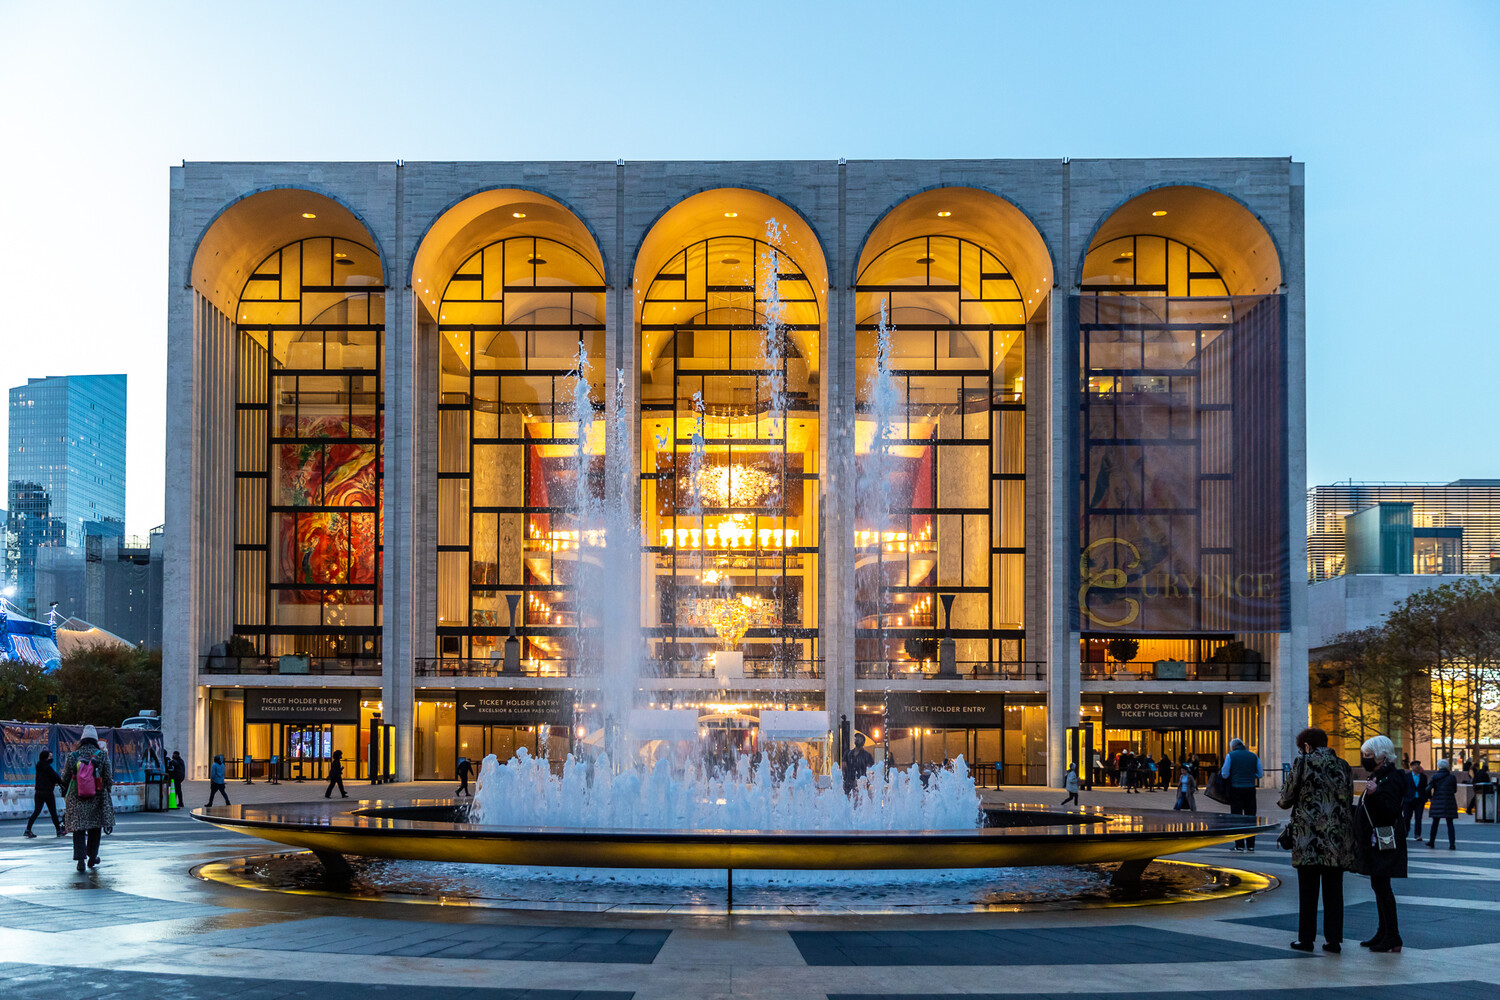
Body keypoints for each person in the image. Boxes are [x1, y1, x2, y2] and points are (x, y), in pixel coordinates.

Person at [1278, 727, 1356, 953]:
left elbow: (1286, 798)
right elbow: (1348, 798)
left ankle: (1306, 939)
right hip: (1337, 838)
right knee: (1334, 892)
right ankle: (1333, 941)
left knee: (1308, 892)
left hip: (1308, 839)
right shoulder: (1343, 765)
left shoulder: (1302, 762)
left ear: (1306, 745)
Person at [1357, 735, 1407, 952]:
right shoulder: (1378, 776)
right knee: (1378, 885)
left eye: (1369, 755)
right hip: (1377, 837)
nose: (1365, 759)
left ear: (1382, 756)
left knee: (1383, 886)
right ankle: (1383, 932)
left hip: (1385, 837)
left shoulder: (1392, 779)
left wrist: (1375, 794)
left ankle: (1393, 936)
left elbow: (1390, 810)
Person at [61, 725, 114, 872]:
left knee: (78, 829)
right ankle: (92, 857)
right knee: (95, 828)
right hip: (97, 797)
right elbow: (108, 777)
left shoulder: (73, 756)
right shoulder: (102, 755)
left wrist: (65, 788)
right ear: (95, 740)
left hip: (77, 798)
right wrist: (107, 790)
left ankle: (80, 860)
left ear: (82, 740)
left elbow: (65, 777)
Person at [1221, 737, 1264, 851]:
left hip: (1236, 789)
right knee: (1250, 817)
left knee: (1237, 818)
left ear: (1233, 747)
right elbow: (1260, 774)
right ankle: (1251, 845)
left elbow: (1224, 773)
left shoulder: (1231, 756)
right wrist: (1249, 775)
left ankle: (1239, 845)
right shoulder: (1253, 756)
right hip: (1250, 789)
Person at [24, 750, 64, 838]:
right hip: (47, 792)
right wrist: (61, 782)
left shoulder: (39, 766)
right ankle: (58, 830)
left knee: (37, 811)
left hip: (38, 792)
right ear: (46, 758)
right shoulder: (48, 767)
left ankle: (28, 829)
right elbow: (55, 777)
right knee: (53, 812)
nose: (51, 758)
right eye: (50, 757)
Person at [1424, 759, 1458, 850]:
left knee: (1435, 823)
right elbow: (1455, 790)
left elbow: (1427, 789)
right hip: (1449, 802)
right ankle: (1452, 843)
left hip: (1437, 801)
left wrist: (1430, 798)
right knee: (1450, 823)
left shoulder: (1435, 777)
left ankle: (1432, 841)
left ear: (1438, 766)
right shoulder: (1452, 777)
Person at [1402, 761, 1428, 839]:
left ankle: (1417, 834)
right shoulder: (1407, 776)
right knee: (1407, 817)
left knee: (1418, 818)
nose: (1417, 767)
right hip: (1408, 800)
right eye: (1415, 765)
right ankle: (1406, 832)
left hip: (1419, 800)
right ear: (1411, 767)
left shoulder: (1423, 777)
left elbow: (1425, 788)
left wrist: (1426, 798)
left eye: (1418, 765)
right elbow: (1403, 787)